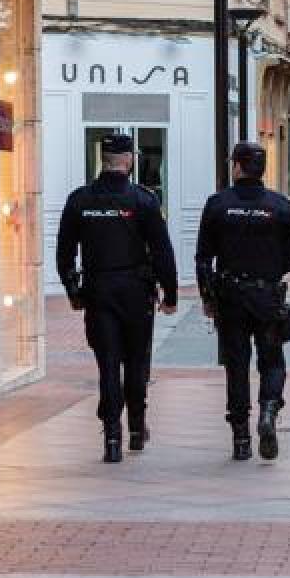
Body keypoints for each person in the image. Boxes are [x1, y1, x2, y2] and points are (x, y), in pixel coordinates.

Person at [56, 133, 178, 463]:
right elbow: (163, 251)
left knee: (108, 364)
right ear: (128, 160)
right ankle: (136, 429)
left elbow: (64, 252)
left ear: (104, 159)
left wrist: (73, 291)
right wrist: (170, 293)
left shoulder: (80, 199)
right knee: (136, 363)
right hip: (136, 292)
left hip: (98, 291)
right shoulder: (143, 200)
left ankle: (112, 437)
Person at [195, 142, 290, 462]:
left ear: (238, 167)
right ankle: (268, 412)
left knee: (236, 366)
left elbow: (203, 258)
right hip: (267, 297)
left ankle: (241, 437)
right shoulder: (280, 205)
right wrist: (269, 271)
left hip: (231, 298)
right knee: (272, 361)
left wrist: (208, 296)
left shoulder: (217, 205)